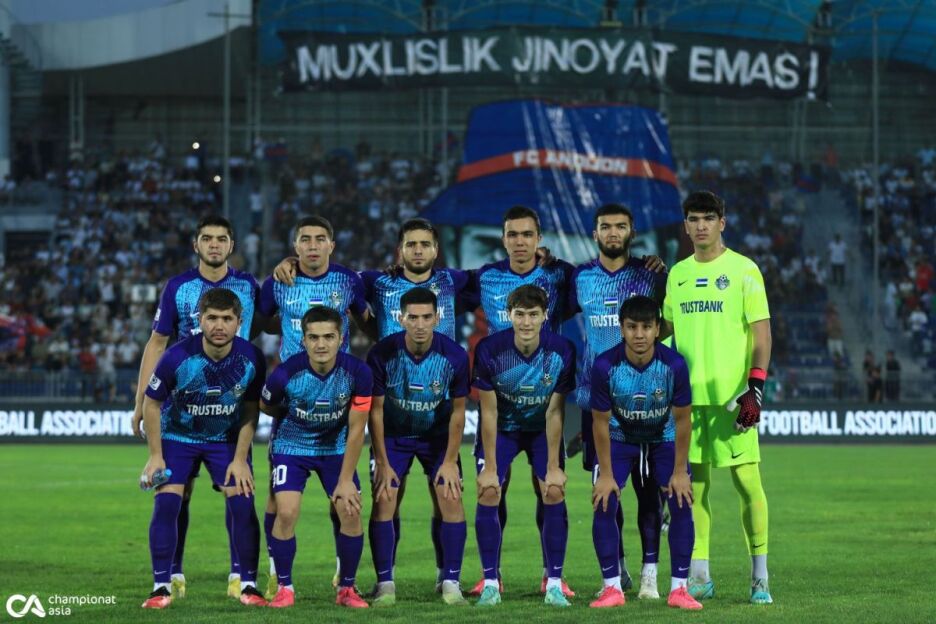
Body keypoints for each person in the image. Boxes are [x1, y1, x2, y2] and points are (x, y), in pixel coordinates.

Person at [133, 215, 263, 600]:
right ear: (196, 245)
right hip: (182, 411)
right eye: (207, 238)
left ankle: (242, 577)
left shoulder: (249, 286)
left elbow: (272, 320)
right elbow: (157, 343)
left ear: (231, 245)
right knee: (177, 493)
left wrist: (289, 268)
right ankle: (170, 575)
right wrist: (141, 401)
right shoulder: (179, 287)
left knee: (238, 493)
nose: (214, 245)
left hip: (228, 415)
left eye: (222, 239)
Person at [662, 190, 774, 605]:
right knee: (693, 489)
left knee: (747, 483)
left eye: (709, 218)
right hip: (688, 404)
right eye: (694, 219)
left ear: (722, 223)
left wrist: (755, 388)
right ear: (686, 225)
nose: (701, 225)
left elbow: (761, 333)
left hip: (733, 401)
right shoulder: (678, 275)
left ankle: (760, 576)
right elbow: (665, 332)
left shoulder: (744, 270)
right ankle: (700, 576)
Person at [465, 206, 577, 598]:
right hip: (503, 416)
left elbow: (596, 273)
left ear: (538, 238)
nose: (519, 242)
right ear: (503, 238)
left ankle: (553, 577)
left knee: (552, 488)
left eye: (527, 234)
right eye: (512, 234)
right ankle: (490, 578)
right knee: (490, 488)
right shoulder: (486, 279)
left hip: (543, 412)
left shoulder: (558, 276)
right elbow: (441, 286)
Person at [258, 215, 370, 597]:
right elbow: (261, 323)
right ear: (295, 246)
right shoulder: (278, 282)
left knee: (345, 502)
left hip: (337, 398)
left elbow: (367, 320)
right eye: (305, 239)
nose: (312, 246)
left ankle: (345, 576)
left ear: (331, 245)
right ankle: (277, 573)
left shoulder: (349, 281)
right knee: (280, 502)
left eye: (320, 239)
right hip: (293, 402)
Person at [567, 203, 669, 598]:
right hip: (598, 404)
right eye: (606, 227)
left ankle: (649, 576)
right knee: (607, 492)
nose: (613, 233)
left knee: (648, 492)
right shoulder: (580, 278)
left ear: (632, 232)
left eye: (620, 226)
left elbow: (668, 323)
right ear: (595, 234)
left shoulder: (651, 275)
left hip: (645, 403)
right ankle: (619, 572)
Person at [589, 296, 701, 610]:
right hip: (620, 439)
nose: (639, 334)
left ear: (657, 328)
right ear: (621, 328)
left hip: (662, 439)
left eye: (647, 327)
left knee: (681, 499)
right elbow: (600, 422)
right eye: (632, 327)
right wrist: (606, 474)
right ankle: (612, 588)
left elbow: (683, 420)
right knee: (604, 501)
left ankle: (679, 589)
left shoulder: (674, 365)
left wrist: (679, 471)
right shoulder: (605, 366)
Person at [366, 287, 470, 606]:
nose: (420, 324)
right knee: (385, 498)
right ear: (401, 319)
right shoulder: (381, 354)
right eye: (413, 317)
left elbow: (459, 413)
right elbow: (375, 411)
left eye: (427, 317)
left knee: (450, 497)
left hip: (437, 438)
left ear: (438, 318)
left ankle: (450, 582)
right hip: (394, 438)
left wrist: (450, 461)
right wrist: (382, 462)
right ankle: (385, 584)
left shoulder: (454, 356)